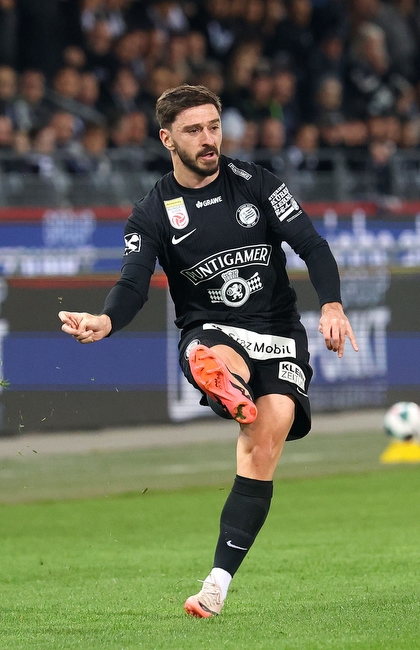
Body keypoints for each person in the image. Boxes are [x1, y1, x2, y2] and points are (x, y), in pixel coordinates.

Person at [57, 85, 358, 618]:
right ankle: (224, 383)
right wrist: (105, 319)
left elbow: (312, 244)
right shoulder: (151, 213)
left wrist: (331, 304)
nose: (208, 139)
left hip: (280, 332)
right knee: (219, 361)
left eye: (214, 127)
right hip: (211, 329)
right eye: (194, 130)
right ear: (166, 138)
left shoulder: (258, 183)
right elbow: (132, 284)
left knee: (265, 446)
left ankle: (216, 585)